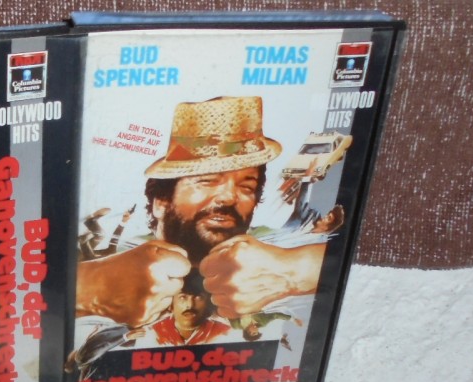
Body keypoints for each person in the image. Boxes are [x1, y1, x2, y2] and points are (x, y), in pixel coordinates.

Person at [74, 96, 332, 329]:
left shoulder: (276, 247)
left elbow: (339, 258)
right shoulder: (113, 256)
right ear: (161, 202)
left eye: (246, 186)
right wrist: (93, 285)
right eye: (207, 181)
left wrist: (294, 271)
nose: (229, 197)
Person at [134, 274, 231, 347]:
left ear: (208, 303)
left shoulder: (226, 334)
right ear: (170, 303)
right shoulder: (150, 334)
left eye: (198, 298)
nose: (190, 305)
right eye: (182, 297)